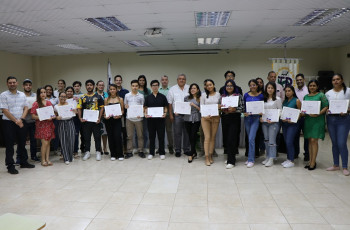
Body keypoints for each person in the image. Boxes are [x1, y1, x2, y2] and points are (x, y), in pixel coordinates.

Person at [0, 76, 35, 174]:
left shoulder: (22, 95)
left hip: (21, 120)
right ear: (7, 84)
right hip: (8, 122)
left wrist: (22, 119)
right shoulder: (3, 95)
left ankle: (23, 162)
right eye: (10, 82)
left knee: (22, 142)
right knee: (10, 145)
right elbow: (5, 110)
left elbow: (26, 107)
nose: (12, 84)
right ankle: (10, 165)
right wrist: (17, 121)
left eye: (13, 82)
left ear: (17, 83)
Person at [325, 74, 350, 176]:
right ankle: (336, 165)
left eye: (338, 79)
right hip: (331, 119)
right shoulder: (328, 93)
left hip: (343, 119)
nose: (336, 81)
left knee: (341, 143)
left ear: (342, 80)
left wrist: (347, 110)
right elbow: (326, 106)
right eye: (333, 80)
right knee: (334, 143)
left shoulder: (348, 91)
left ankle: (345, 166)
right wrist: (326, 109)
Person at [302, 79, 328, 170]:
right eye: (310, 86)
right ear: (308, 87)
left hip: (318, 120)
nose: (312, 87)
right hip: (308, 120)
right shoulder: (306, 96)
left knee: (314, 140)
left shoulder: (321, 95)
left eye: (314, 85)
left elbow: (326, 106)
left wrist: (319, 113)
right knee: (309, 140)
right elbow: (304, 108)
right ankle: (310, 161)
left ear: (317, 86)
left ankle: (313, 162)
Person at [77, 79, 104, 161]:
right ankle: (87, 152)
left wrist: (99, 118)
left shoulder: (99, 97)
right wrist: (80, 118)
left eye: (91, 85)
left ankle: (98, 152)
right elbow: (79, 108)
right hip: (86, 121)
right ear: (85, 86)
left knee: (97, 137)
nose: (89, 86)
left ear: (94, 86)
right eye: (87, 85)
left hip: (96, 121)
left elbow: (102, 108)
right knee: (86, 137)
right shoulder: (82, 97)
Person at [220, 79, 244, 169]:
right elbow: (220, 107)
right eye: (227, 86)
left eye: (231, 86)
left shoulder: (239, 96)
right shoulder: (223, 96)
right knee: (226, 139)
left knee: (232, 139)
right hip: (225, 118)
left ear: (234, 87)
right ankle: (230, 156)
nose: (229, 87)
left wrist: (235, 109)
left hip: (234, 118)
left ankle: (231, 161)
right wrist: (221, 108)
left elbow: (242, 108)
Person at [144, 80, 168, 160]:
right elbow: (145, 107)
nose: (155, 87)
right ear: (151, 87)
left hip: (160, 120)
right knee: (151, 137)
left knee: (161, 136)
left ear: (158, 86)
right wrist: (145, 114)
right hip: (151, 120)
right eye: (153, 85)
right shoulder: (148, 97)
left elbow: (166, 107)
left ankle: (162, 152)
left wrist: (165, 113)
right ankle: (151, 153)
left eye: (156, 85)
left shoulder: (162, 97)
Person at [31, 87, 56, 167]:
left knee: (48, 143)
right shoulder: (36, 103)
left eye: (44, 92)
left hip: (49, 125)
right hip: (41, 126)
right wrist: (43, 117)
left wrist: (52, 116)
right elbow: (33, 116)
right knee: (44, 143)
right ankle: (43, 160)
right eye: (41, 92)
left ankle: (47, 159)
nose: (43, 94)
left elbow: (52, 114)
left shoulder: (49, 102)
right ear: (38, 94)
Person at [167, 74, 190, 157]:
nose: (181, 80)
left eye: (183, 79)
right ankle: (177, 150)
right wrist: (170, 115)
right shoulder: (172, 89)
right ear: (177, 80)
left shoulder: (189, 88)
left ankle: (186, 149)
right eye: (180, 79)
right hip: (177, 115)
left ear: (185, 80)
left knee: (187, 132)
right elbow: (169, 103)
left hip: (188, 114)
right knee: (177, 133)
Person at [260, 82, 282, 167]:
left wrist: (275, 119)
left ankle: (272, 158)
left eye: (272, 88)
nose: (270, 89)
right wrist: (261, 117)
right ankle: (267, 156)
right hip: (265, 123)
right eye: (268, 88)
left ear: (274, 89)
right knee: (266, 140)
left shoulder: (277, 99)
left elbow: (280, 111)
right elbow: (261, 110)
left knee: (272, 141)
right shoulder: (264, 99)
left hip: (274, 123)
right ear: (266, 89)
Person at [244, 79, 264, 168]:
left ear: (257, 86)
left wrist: (260, 114)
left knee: (252, 138)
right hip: (247, 119)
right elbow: (244, 107)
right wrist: (244, 112)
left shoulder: (261, 96)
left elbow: (263, 108)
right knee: (249, 139)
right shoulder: (246, 95)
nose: (252, 86)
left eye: (254, 85)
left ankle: (251, 159)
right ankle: (249, 158)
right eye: (251, 85)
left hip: (255, 119)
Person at [200, 79, 221, 166]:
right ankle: (207, 157)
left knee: (213, 137)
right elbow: (201, 108)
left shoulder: (218, 95)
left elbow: (220, 105)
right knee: (207, 137)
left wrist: (219, 106)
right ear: (205, 87)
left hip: (215, 118)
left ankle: (211, 155)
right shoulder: (203, 95)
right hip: (205, 118)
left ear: (214, 85)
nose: (209, 86)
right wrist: (205, 116)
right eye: (207, 85)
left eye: (210, 84)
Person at [281, 86, 301, 168]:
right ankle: (288, 158)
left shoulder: (297, 100)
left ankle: (292, 160)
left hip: (293, 124)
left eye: (289, 91)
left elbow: (300, 113)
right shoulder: (284, 101)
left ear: (293, 91)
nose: (287, 92)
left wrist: (294, 119)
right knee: (286, 141)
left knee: (289, 141)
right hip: (285, 124)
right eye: (286, 91)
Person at [124, 80, 145, 158]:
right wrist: (125, 106)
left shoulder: (141, 96)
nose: (134, 87)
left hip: (138, 119)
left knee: (140, 136)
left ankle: (141, 151)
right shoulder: (127, 95)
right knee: (129, 136)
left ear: (138, 87)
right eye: (133, 86)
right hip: (129, 118)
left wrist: (141, 113)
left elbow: (143, 107)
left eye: (136, 86)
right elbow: (125, 105)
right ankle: (129, 151)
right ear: (131, 86)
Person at [54, 92, 76, 165]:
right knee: (63, 141)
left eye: (64, 96)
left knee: (71, 140)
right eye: (61, 96)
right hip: (61, 123)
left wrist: (74, 111)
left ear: (66, 97)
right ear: (59, 97)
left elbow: (75, 113)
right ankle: (66, 158)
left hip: (70, 122)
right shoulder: (56, 106)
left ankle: (70, 156)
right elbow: (54, 116)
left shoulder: (70, 105)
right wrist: (57, 117)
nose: (63, 98)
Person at [104, 84, 124, 161]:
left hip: (117, 120)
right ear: (109, 90)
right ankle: (113, 154)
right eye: (111, 89)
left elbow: (122, 110)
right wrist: (105, 116)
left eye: (113, 89)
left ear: (116, 90)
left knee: (117, 136)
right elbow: (105, 111)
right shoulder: (106, 99)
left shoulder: (120, 99)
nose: (112, 90)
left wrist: (120, 115)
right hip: (109, 121)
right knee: (110, 137)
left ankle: (120, 154)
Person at [184, 83, 201, 163]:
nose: (193, 89)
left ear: (197, 90)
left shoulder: (200, 98)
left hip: (196, 118)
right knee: (190, 136)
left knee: (193, 136)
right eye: (191, 88)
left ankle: (191, 154)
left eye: (194, 88)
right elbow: (183, 107)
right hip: (187, 118)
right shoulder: (186, 98)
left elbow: (202, 109)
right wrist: (178, 111)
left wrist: (194, 105)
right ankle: (194, 152)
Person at [22, 79, 39, 161]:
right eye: (26, 85)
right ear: (23, 86)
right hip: (23, 120)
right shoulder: (20, 95)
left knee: (33, 140)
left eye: (29, 85)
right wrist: (27, 110)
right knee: (21, 140)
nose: (28, 86)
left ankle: (34, 156)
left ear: (31, 86)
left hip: (33, 121)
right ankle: (21, 158)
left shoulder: (35, 95)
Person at [294, 73, 309, 161]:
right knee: (295, 135)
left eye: (301, 79)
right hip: (297, 116)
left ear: (304, 80)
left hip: (306, 116)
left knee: (306, 136)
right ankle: (296, 153)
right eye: (298, 80)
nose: (299, 81)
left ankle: (307, 154)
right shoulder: (294, 90)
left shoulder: (308, 90)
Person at [158, 75, 174, 154]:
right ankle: (160, 148)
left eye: (166, 80)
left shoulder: (171, 90)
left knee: (169, 131)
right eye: (163, 80)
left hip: (168, 114)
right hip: (159, 115)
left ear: (168, 81)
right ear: (161, 81)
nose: (164, 81)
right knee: (160, 132)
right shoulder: (157, 90)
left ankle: (171, 147)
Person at [114, 75, 129, 153]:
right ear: (114, 81)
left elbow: (128, 103)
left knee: (124, 132)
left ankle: (125, 148)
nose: (118, 81)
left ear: (121, 81)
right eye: (117, 80)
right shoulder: (112, 91)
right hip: (114, 116)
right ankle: (117, 148)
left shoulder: (126, 91)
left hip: (123, 115)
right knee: (116, 133)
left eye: (120, 80)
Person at [45, 84, 59, 155]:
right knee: (47, 134)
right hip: (45, 120)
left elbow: (58, 108)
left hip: (54, 119)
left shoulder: (55, 98)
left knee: (55, 134)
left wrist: (55, 115)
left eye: (50, 90)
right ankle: (47, 149)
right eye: (47, 90)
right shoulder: (42, 99)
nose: (48, 91)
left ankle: (55, 148)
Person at [96, 80, 109, 155]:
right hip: (96, 116)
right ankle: (99, 148)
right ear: (97, 86)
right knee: (98, 133)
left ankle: (105, 148)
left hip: (105, 117)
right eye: (99, 85)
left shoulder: (107, 94)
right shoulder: (94, 95)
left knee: (104, 133)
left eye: (102, 85)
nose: (101, 86)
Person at [138, 75, 151, 151]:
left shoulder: (148, 90)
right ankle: (137, 147)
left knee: (145, 131)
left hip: (146, 112)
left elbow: (149, 101)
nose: (142, 82)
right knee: (138, 131)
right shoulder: (136, 89)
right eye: (140, 80)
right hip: (138, 113)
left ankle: (145, 147)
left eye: (143, 80)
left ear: (145, 81)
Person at [73, 81, 84, 154]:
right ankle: (75, 150)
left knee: (83, 134)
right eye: (75, 86)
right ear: (73, 87)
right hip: (74, 117)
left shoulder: (83, 95)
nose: (77, 87)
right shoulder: (71, 96)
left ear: (80, 87)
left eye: (78, 86)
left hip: (82, 115)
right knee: (75, 134)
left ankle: (83, 148)